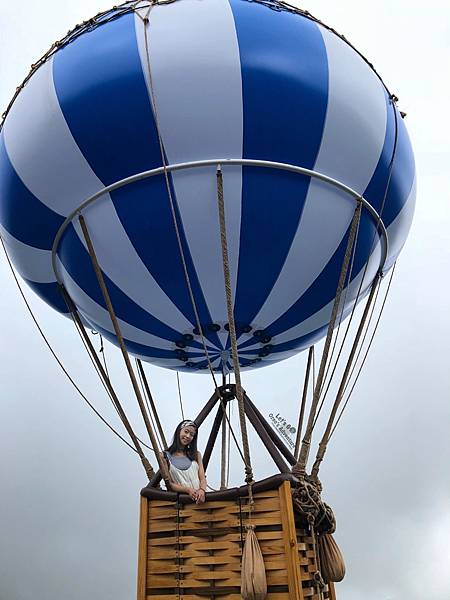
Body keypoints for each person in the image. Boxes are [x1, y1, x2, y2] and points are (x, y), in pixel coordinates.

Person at [164, 420, 207, 504]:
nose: (188, 436)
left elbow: (202, 478)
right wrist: (188, 490)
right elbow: (170, 484)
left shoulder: (196, 455)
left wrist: (202, 490)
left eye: (191, 435)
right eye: (186, 431)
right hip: (182, 503)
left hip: (201, 501)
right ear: (179, 431)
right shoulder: (165, 456)